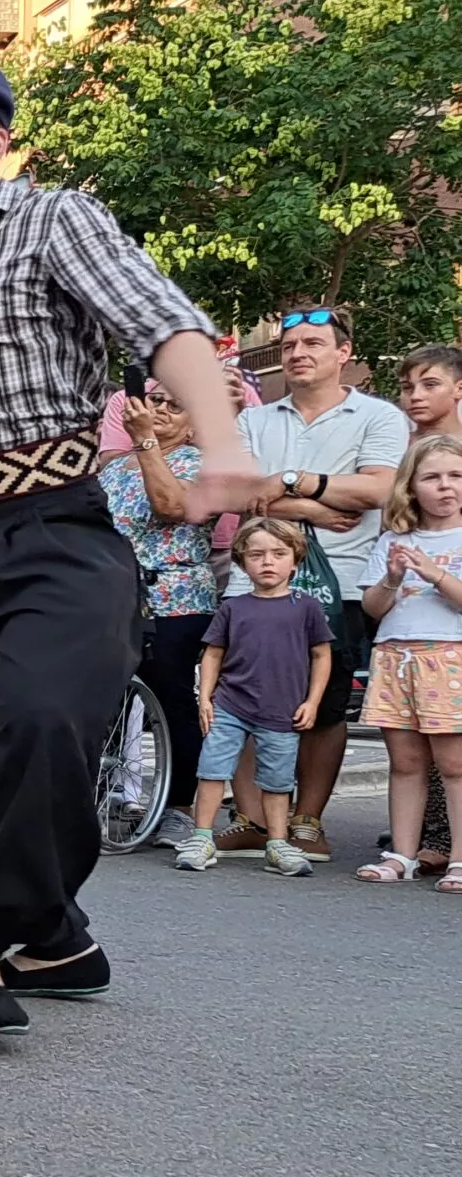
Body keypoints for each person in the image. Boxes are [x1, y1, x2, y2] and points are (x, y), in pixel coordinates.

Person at [0, 50, 262, 1032]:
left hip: (55, 522)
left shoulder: (51, 220)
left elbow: (163, 327)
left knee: (45, 716)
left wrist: (225, 440)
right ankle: (56, 941)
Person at [205, 309, 409, 862]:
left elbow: (377, 491)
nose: (298, 353)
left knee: (323, 705)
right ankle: (249, 818)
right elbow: (232, 489)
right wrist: (313, 507)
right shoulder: (254, 419)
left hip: (339, 582)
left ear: (343, 353)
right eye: (290, 344)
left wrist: (288, 483)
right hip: (251, 581)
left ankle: (307, 823)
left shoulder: (378, 418)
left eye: (313, 344)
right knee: (239, 700)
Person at [169, 519, 331, 875]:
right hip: (230, 705)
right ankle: (202, 836)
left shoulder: (307, 607)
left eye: (278, 554)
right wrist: (206, 697)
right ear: (242, 563)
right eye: (256, 555)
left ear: (295, 560)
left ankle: (276, 842)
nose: (267, 562)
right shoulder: (233, 607)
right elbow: (213, 653)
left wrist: (312, 701)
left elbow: (321, 654)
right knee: (211, 769)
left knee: (277, 780)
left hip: (282, 709)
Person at [101, 385, 219, 822]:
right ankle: (112, 787)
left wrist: (147, 442)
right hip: (114, 596)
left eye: (177, 405)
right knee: (102, 696)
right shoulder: (113, 470)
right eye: (157, 401)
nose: (164, 409)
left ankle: (180, 807)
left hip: (176, 597)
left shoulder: (202, 464)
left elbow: (171, 505)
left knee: (172, 700)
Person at [355, 434, 462, 888]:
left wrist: (434, 573)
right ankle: (402, 852)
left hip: (449, 655)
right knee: (405, 761)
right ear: (411, 486)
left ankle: (459, 857)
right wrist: (393, 577)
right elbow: (372, 608)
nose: (445, 486)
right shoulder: (393, 540)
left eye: (455, 475)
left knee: (454, 763)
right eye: (432, 477)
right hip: (395, 655)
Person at [394, 346, 459, 869]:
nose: (416, 395)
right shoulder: (403, 446)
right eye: (408, 386)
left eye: (430, 384)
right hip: (408, 624)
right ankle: (421, 840)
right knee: (416, 748)